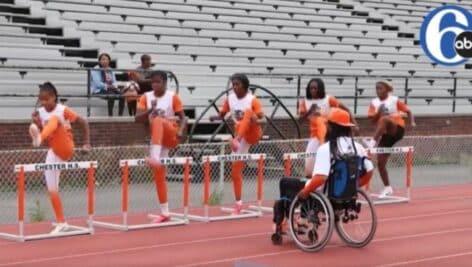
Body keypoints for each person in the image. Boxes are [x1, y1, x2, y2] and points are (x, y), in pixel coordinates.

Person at [272, 108, 373, 235]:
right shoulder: (358, 147)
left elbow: (320, 178)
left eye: (327, 125)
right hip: (346, 193)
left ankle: (285, 220)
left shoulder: (326, 148)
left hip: (324, 192)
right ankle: (302, 218)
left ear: (331, 127)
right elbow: (369, 170)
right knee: (308, 183)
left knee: (285, 182)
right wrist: (354, 186)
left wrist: (305, 192)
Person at [29, 82, 91, 234]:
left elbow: (83, 122)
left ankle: (39, 138)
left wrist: (86, 143)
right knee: (52, 187)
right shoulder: (41, 112)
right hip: (53, 148)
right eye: (41, 100)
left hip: (66, 146)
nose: (44, 103)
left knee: (55, 120)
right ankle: (61, 221)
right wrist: (37, 123)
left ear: (54, 97)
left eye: (47, 99)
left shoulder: (62, 109)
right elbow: (48, 132)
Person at [209, 73, 266, 215]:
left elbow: (263, 120)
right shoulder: (230, 99)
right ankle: (238, 204)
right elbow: (222, 114)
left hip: (253, 134)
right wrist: (215, 117)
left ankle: (235, 139)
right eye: (233, 85)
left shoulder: (252, 100)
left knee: (247, 113)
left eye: (237, 84)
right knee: (235, 170)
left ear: (245, 86)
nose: (234, 87)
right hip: (240, 136)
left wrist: (255, 120)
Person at [135, 70, 187, 223]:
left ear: (165, 83)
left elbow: (184, 118)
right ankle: (165, 212)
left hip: (171, 134)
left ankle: (155, 157)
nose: (155, 85)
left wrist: (181, 131)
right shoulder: (146, 97)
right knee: (159, 175)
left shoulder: (172, 97)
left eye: (158, 82)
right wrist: (151, 109)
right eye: (153, 82)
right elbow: (137, 119)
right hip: (157, 139)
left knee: (157, 119)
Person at [298, 78, 358, 178]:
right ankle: (310, 185)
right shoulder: (305, 101)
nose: (312, 90)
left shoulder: (329, 99)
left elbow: (345, 110)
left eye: (315, 88)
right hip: (315, 136)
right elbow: (300, 121)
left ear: (320, 89)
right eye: (311, 88)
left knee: (330, 161)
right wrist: (310, 111)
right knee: (309, 166)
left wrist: (354, 123)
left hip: (330, 134)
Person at [367, 80, 416, 198]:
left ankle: (371, 143)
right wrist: (378, 112)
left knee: (385, 119)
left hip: (397, 129)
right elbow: (372, 121)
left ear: (387, 89)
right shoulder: (374, 103)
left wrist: (412, 122)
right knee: (380, 162)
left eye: (380, 88)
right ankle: (388, 188)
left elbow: (408, 111)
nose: (378, 91)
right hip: (386, 135)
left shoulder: (394, 100)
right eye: (376, 88)